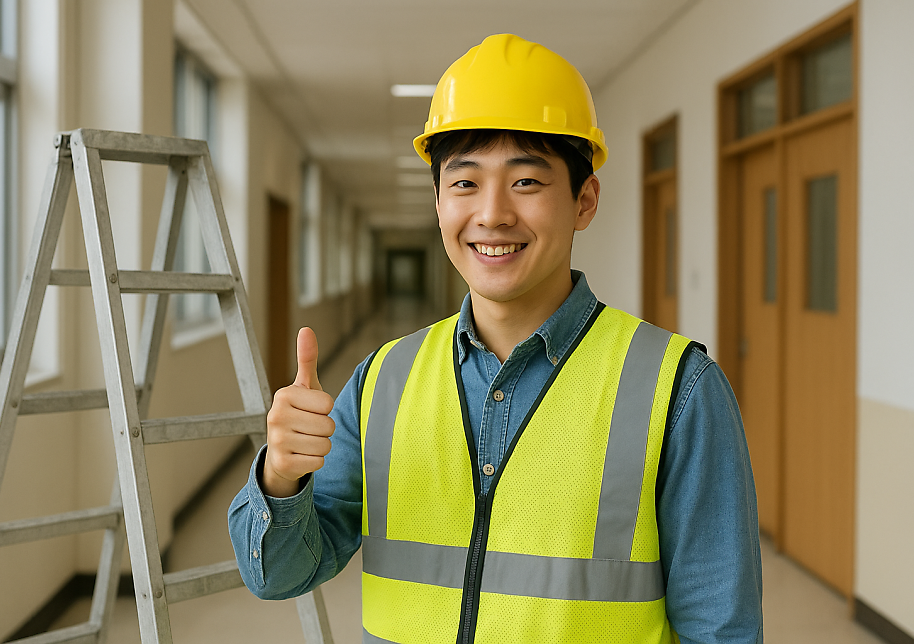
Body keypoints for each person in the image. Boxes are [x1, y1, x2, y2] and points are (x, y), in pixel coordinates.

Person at [229, 33, 763, 643]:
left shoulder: (677, 390)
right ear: (437, 204)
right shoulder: (384, 380)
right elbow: (275, 576)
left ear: (584, 200)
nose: (492, 214)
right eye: (464, 184)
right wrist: (280, 479)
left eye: (527, 183)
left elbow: (722, 631)